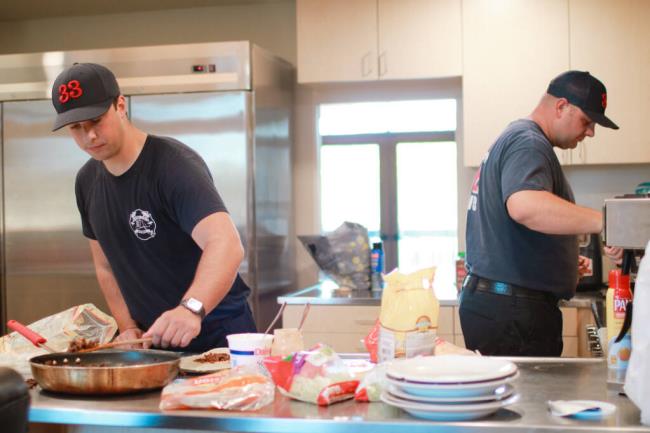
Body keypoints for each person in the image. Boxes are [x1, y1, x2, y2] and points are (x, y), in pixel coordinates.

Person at [50, 63, 256, 352]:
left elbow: (226, 244)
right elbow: (106, 266)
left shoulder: (173, 165)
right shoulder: (87, 181)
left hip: (215, 334)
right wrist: (128, 327)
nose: (89, 137)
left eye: (96, 121)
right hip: (152, 344)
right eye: (76, 128)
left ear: (120, 105)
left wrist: (190, 310)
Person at [461, 70, 618, 356]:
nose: (591, 132)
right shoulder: (529, 143)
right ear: (561, 106)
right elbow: (524, 206)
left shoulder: (517, 137)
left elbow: (514, 226)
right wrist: (605, 221)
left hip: (500, 306)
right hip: (513, 313)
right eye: (587, 120)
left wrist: (560, 259)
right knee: (526, 402)